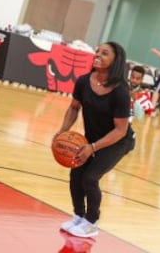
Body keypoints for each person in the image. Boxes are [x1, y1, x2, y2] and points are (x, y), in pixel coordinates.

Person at [54, 41, 135, 238]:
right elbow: (74, 107)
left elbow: (120, 130)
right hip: (91, 138)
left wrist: (93, 147)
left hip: (118, 141)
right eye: (97, 51)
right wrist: (62, 132)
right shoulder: (83, 81)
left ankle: (91, 222)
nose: (97, 55)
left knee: (90, 178)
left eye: (104, 53)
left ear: (116, 61)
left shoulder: (120, 92)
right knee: (76, 175)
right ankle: (78, 216)